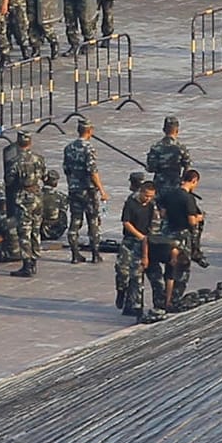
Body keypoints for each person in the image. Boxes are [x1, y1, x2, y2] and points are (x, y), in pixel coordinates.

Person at [63, 118, 109, 264]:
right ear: (90, 131)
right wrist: (102, 190)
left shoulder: (68, 148)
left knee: (75, 221)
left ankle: (75, 254)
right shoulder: (89, 149)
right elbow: (92, 171)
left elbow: (66, 169)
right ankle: (95, 254)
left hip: (74, 189)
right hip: (88, 191)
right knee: (93, 221)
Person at [159, 168, 204, 309]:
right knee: (182, 269)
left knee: (169, 268)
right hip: (181, 235)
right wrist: (200, 218)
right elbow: (191, 221)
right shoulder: (188, 198)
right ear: (194, 181)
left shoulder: (169, 194)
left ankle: (165, 298)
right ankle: (174, 299)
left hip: (167, 234)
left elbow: (163, 214)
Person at [8, 130, 48, 278]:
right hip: (37, 197)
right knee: (36, 230)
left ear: (18, 143)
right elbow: (45, 176)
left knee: (24, 231)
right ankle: (35, 259)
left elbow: (10, 181)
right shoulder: (39, 159)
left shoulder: (16, 161)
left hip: (23, 198)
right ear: (30, 142)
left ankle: (27, 264)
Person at [115, 173, 154, 313]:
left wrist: (146, 242)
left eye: (151, 196)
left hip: (143, 243)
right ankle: (121, 291)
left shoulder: (152, 206)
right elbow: (126, 222)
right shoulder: (131, 203)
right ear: (141, 192)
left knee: (137, 274)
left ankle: (135, 305)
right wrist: (140, 236)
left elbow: (154, 226)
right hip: (129, 240)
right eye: (146, 196)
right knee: (122, 271)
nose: (148, 199)